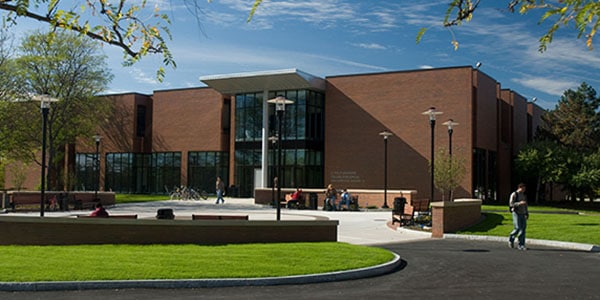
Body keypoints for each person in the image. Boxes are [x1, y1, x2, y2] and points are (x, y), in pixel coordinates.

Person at [508, 183, 529, 250]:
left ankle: (521, 244)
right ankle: (511, 238)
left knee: (523, 229)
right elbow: (511, 204)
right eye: (523, 188)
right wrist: (519, 203)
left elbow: (526, 205)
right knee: (517, 228)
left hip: (523, 213)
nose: (524, 190)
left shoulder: (524, 195)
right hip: (516, 213)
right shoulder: (514, 194)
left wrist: (526, 213)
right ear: (520, 187)